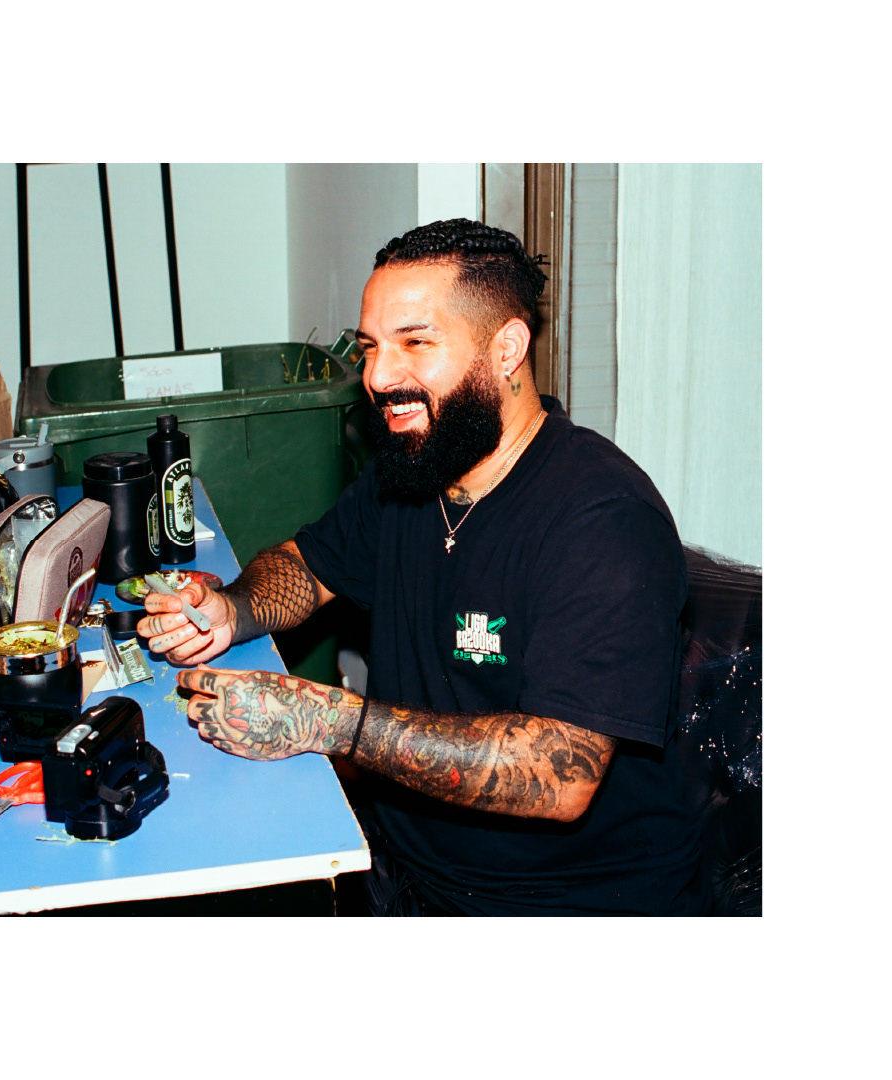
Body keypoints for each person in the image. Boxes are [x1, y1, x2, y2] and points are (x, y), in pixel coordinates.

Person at [139, 218, 701, 916]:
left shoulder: (604, 518)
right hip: (399, 864)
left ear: (507, 349)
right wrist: (233, 608)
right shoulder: (417, 462)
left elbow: (559, 775)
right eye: (371, 347)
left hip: (558, 903)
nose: (377, 376)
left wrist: (328, 720)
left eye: (415, 343)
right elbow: (308, 565)